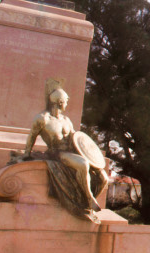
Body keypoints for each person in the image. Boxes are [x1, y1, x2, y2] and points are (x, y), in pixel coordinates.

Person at [21, 80, 108, 223]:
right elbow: (32, 136)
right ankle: (88, 198)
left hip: (71, 152)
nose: (67, 104)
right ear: (60, 102)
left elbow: (76, 139)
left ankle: (85, 203)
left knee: (103, 176)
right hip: (56, 153)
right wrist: (26, 153)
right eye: (66, 101)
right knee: (83, 164)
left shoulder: (66, 120)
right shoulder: (42, 119)